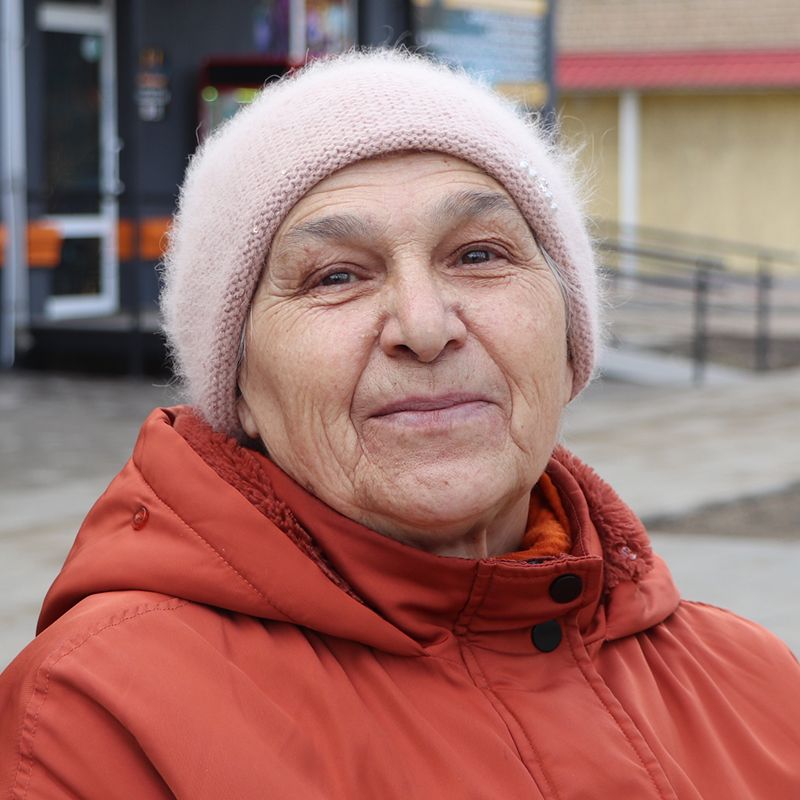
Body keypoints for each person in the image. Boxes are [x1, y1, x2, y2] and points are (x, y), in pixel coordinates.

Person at [1, 50, 798, 799]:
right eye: (336, 275)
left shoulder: (756, 683)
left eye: (479, 255)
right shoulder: (96, 717)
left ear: (567, 344)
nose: (424, 326)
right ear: (237, 385)